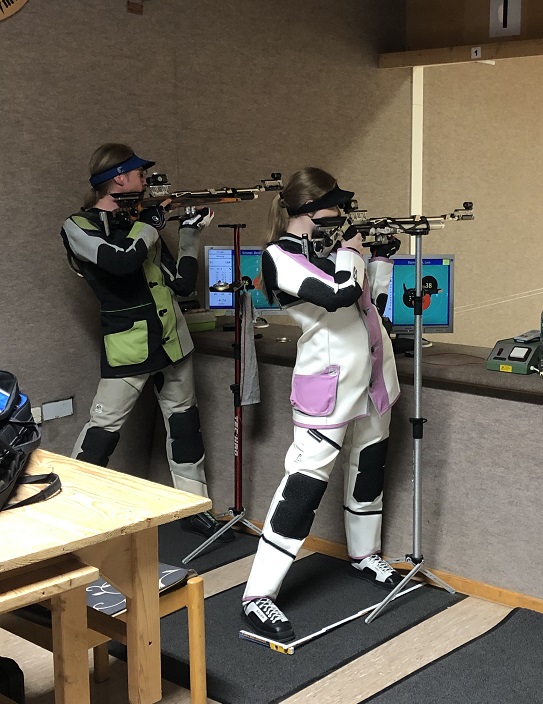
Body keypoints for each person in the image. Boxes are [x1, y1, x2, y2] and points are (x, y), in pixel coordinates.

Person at [241, 167, 402, 642]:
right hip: (327, 387)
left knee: (369, 466)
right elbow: (338, 295)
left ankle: (364, 552)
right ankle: (258, 593)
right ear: (312, 210)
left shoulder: (326, 250)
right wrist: (351, 252)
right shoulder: (279, 257)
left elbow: (370, 304)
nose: (344, 213)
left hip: (372, 379)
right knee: (304, 486)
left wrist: (380, 260)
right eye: (337, 206)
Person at [61, 142, 232, 542]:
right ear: (118, 178)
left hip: (173, 342)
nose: (146, 181)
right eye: (139, 174)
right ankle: (69, 512)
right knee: (103, 431)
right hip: (130, 346)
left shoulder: (140, 224)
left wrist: (188, 235)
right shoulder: (79, 225)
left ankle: (193, 506)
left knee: (185, 424)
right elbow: (119, 261)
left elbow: (182, 285)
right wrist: (151, 224)